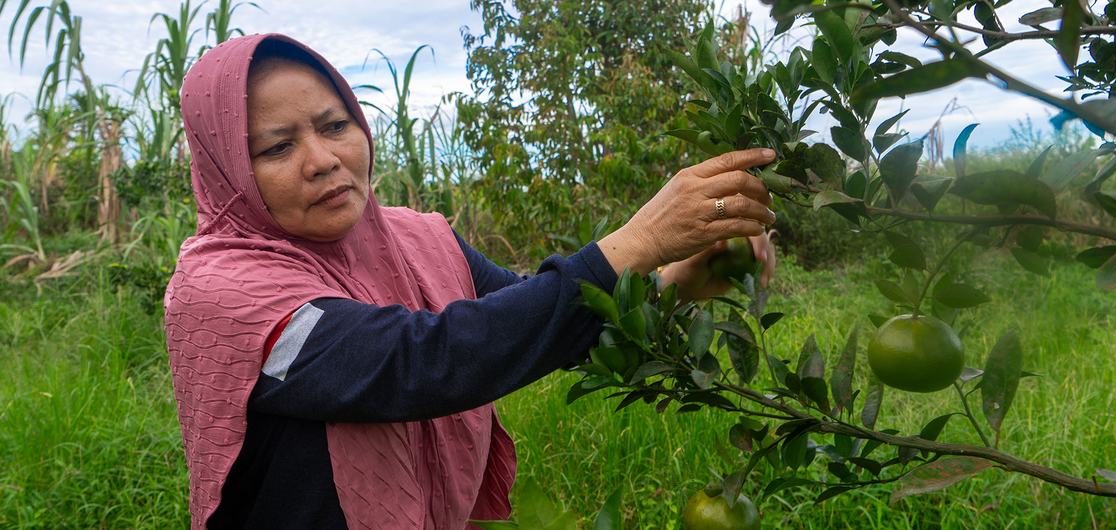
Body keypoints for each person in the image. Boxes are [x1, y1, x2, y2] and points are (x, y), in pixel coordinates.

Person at [164, 33, 777, 530]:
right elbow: (420, 360)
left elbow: (539, 321)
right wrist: (636, 241)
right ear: (229, 169)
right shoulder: (221, 289)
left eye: (334, 125)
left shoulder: (418, 238)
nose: (322, 158)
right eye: (276, 148)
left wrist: (672, 280)